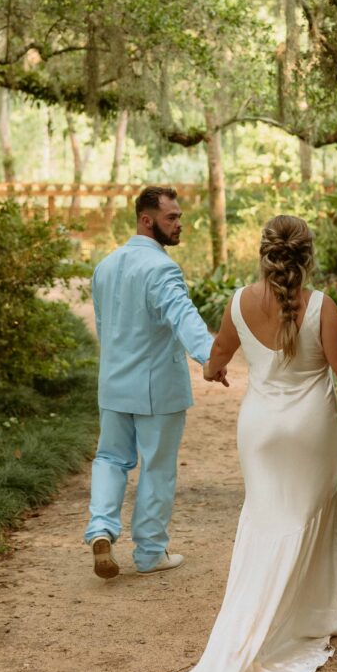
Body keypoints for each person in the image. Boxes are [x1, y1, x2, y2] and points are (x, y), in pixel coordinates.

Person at [175, 214, 337, 672]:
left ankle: (272, 613)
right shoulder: (322, 307)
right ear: (307, 254)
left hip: (259, 430)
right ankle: (300, 618)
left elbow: (218, 352)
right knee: (307, 520)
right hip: (309, 430)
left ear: (264, 253)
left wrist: (214, 370)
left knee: (264, 520)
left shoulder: (238, 301)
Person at [84, 185, 228, 578]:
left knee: (110, 459)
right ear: (147, 220)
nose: (180, 224)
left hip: (113, 384)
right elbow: (182, 315)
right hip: (156, 388)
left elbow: (103, 327)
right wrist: (211, 359)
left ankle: (101, 530)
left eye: (179, 216)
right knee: (157, 468)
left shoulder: (106, 266)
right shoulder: (161, 268)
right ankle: (149, 553)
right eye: (172, 218)